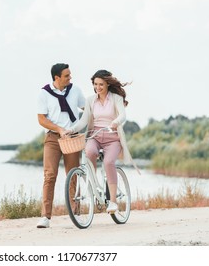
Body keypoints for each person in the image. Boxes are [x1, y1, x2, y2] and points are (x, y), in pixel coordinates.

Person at [68, 69, 140, 213]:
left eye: (101, 84)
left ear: (107, 84)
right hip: (95, 135)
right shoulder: (90, 100)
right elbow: (83, 121)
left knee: (108, 162)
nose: (98, 87)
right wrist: (71, 130)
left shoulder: (116, 98)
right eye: (95, 84)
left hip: (112, 137)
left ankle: (113, 202)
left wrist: (114, 122)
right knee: (89, 152)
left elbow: (123, 115)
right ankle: (94, 185)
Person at [36, 63, 85, 228]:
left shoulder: (75, 91)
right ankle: (45, 217)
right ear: (56, 77)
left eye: (70, 75)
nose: (70, 78)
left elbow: (87, 109)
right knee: (49, 176)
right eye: (67, 76)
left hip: (72, 138)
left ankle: (75, 213)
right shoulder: (44, 93)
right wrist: (59, 129)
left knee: (73, 175)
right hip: (53, 139)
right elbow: (41, 119)